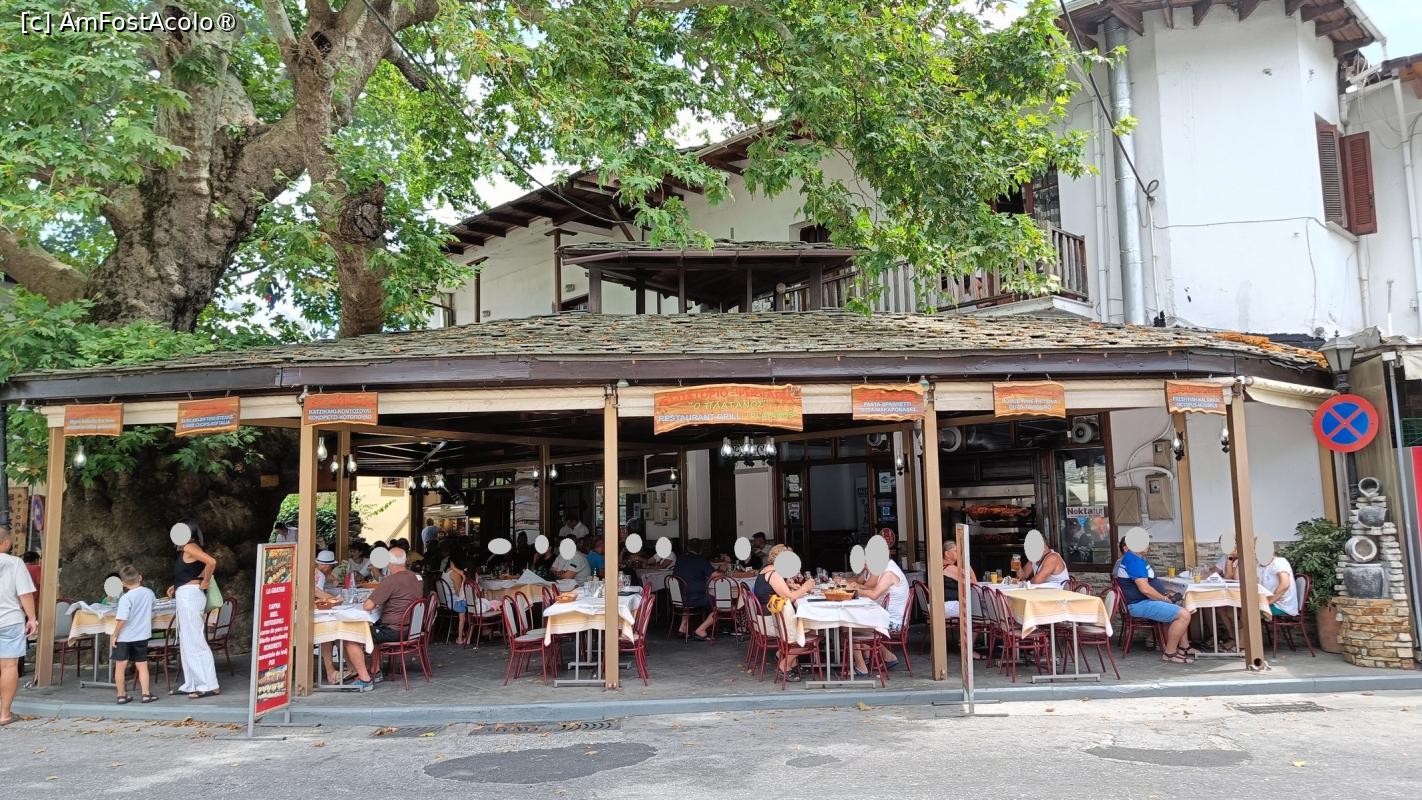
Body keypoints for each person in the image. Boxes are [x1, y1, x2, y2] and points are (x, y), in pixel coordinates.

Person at [343, 547, 425, 691]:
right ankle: (375, 670)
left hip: (395, 630)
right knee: (374, 628)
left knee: (350, 636)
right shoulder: (417, 578)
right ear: (405, 561)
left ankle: (364, 679)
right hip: (413, 629)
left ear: (389, 563)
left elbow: (368, 606)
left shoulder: (391, 580)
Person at [1115, 538, 1197, 663]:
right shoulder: (1133, 560)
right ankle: (1170, 653)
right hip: (1139, 604)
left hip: (1144, 601)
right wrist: (1164, 599)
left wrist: (1165, 595)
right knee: (1183, 615)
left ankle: (1183, 647)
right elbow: (1145, 589)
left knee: (1181, 606)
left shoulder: (1136, 559)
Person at [166, 520, 221, 698]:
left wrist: (205, 582)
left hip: (190, 596)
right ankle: (192, 683)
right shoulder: (191, 548)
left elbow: (211, 562)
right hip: (187, 593)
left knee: (194, 640)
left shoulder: (190, 547)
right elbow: (196, 570)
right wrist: (178, 585)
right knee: (188, 641)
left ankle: (208, 684)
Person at [752, 544, 816, 682]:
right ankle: (784, 665)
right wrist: (805, 588)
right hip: (771, 622)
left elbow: (776, 591)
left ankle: (786, 658)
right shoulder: (774, 574)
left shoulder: (767, 570)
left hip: (764, 618)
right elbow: (789, 597)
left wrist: (790, 585)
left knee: (806, 627)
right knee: (813, 631)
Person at [0, 529, 37, 726]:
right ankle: (4, 714)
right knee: (8, 666)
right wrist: (32, 618)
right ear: (6, 542)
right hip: (10, 620)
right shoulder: (15, 563)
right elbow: (25, 594)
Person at [851, 557, 908, 674]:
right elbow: (872, 588)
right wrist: (858, 586)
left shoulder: (889, 573)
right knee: (856, 621)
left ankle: (861, 666)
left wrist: (854, 590)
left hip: (893, 623)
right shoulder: (885, 570)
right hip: (885, 617)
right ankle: (887, 656)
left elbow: (874, 594)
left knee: (851, 626)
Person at [111, 566, 157, 705]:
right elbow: (153, 608)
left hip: (125, 637)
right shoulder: (149, 593)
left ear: (123, 584)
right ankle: (146, 694)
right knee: (142, 665)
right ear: (140, 577)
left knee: (120, 666)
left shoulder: (125, 598)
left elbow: (122, 619)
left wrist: (114, 634)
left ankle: (121, 695)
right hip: (142, 635)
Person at [672, 540, 723, 641]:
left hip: (679, 597)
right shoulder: (700, 560)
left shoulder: (680, 559)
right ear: (701, 550)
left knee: (687, 597)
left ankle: (682, 628)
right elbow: (715, 576)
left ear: (688, 548)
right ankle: (701, 630)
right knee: (721, 604)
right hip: (694, 597)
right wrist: (723, 571)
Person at [942, 544, 977, 620]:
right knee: (976, 607)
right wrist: (966, 562)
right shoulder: (951, 568)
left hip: (943, 604)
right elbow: (974, 582)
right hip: (949, 605)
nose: (959, 553)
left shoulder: (940, 566)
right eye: (956, 551)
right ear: (947, 554)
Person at [444, 555, 471, 646]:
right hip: (455, 602)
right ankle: (466, 633)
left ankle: (463, 633)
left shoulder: (445, 572)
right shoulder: (454, 574)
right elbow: (459, 592)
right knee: (473, 604)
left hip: (447, 601)